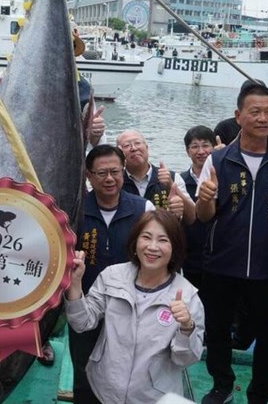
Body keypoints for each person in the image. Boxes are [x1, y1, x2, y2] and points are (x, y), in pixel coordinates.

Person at [196, 81, 268, 404]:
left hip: (267, 269)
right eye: (255, 112)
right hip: (222, 263)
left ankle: (259, 395)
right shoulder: (218, 160)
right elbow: (203, 216)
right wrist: (204, 198)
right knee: (217, 329)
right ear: (238, 116)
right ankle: (222, 385)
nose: (264, 118)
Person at [66, 209, 205, 403]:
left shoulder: (188, 297)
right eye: (146, 237)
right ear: (135, 242)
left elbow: (185, 359)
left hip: (154, 397)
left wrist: (186, 327)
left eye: (163, 240)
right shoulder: (112, 276)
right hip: (104, 391)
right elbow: (81, 322)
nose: (153, 247)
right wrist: (75, 285)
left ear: (175, 248)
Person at [70, 144, 155, 404]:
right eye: (101, 173)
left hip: (131, 307)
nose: (109, 179)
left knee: (128, 372)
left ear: (124, 171)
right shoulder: (74, 209)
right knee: (83, 372)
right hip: (85, 304)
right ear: (88, 175)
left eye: (115, 172)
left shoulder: (143, 209)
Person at [116, 129, 193, 224]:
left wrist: (171, 186)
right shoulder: (115, 182)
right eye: (127, 145)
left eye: (137, 143)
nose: (134, 148)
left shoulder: (172, 177)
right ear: (119, 153)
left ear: (147, 147)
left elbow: (192, 218)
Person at [179, 125, 215, 291]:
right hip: (192, 256)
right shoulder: (180, 181)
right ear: (187, 151)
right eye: (194, 146)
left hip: (220, 255)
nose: (201, 151)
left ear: (214, 147)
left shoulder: (224, 177)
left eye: (206, 145)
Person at [214, 80, 268, 149]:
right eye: (255, 112)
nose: (262, 119)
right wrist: (219, 155)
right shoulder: (224, 128)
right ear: (238, 115)